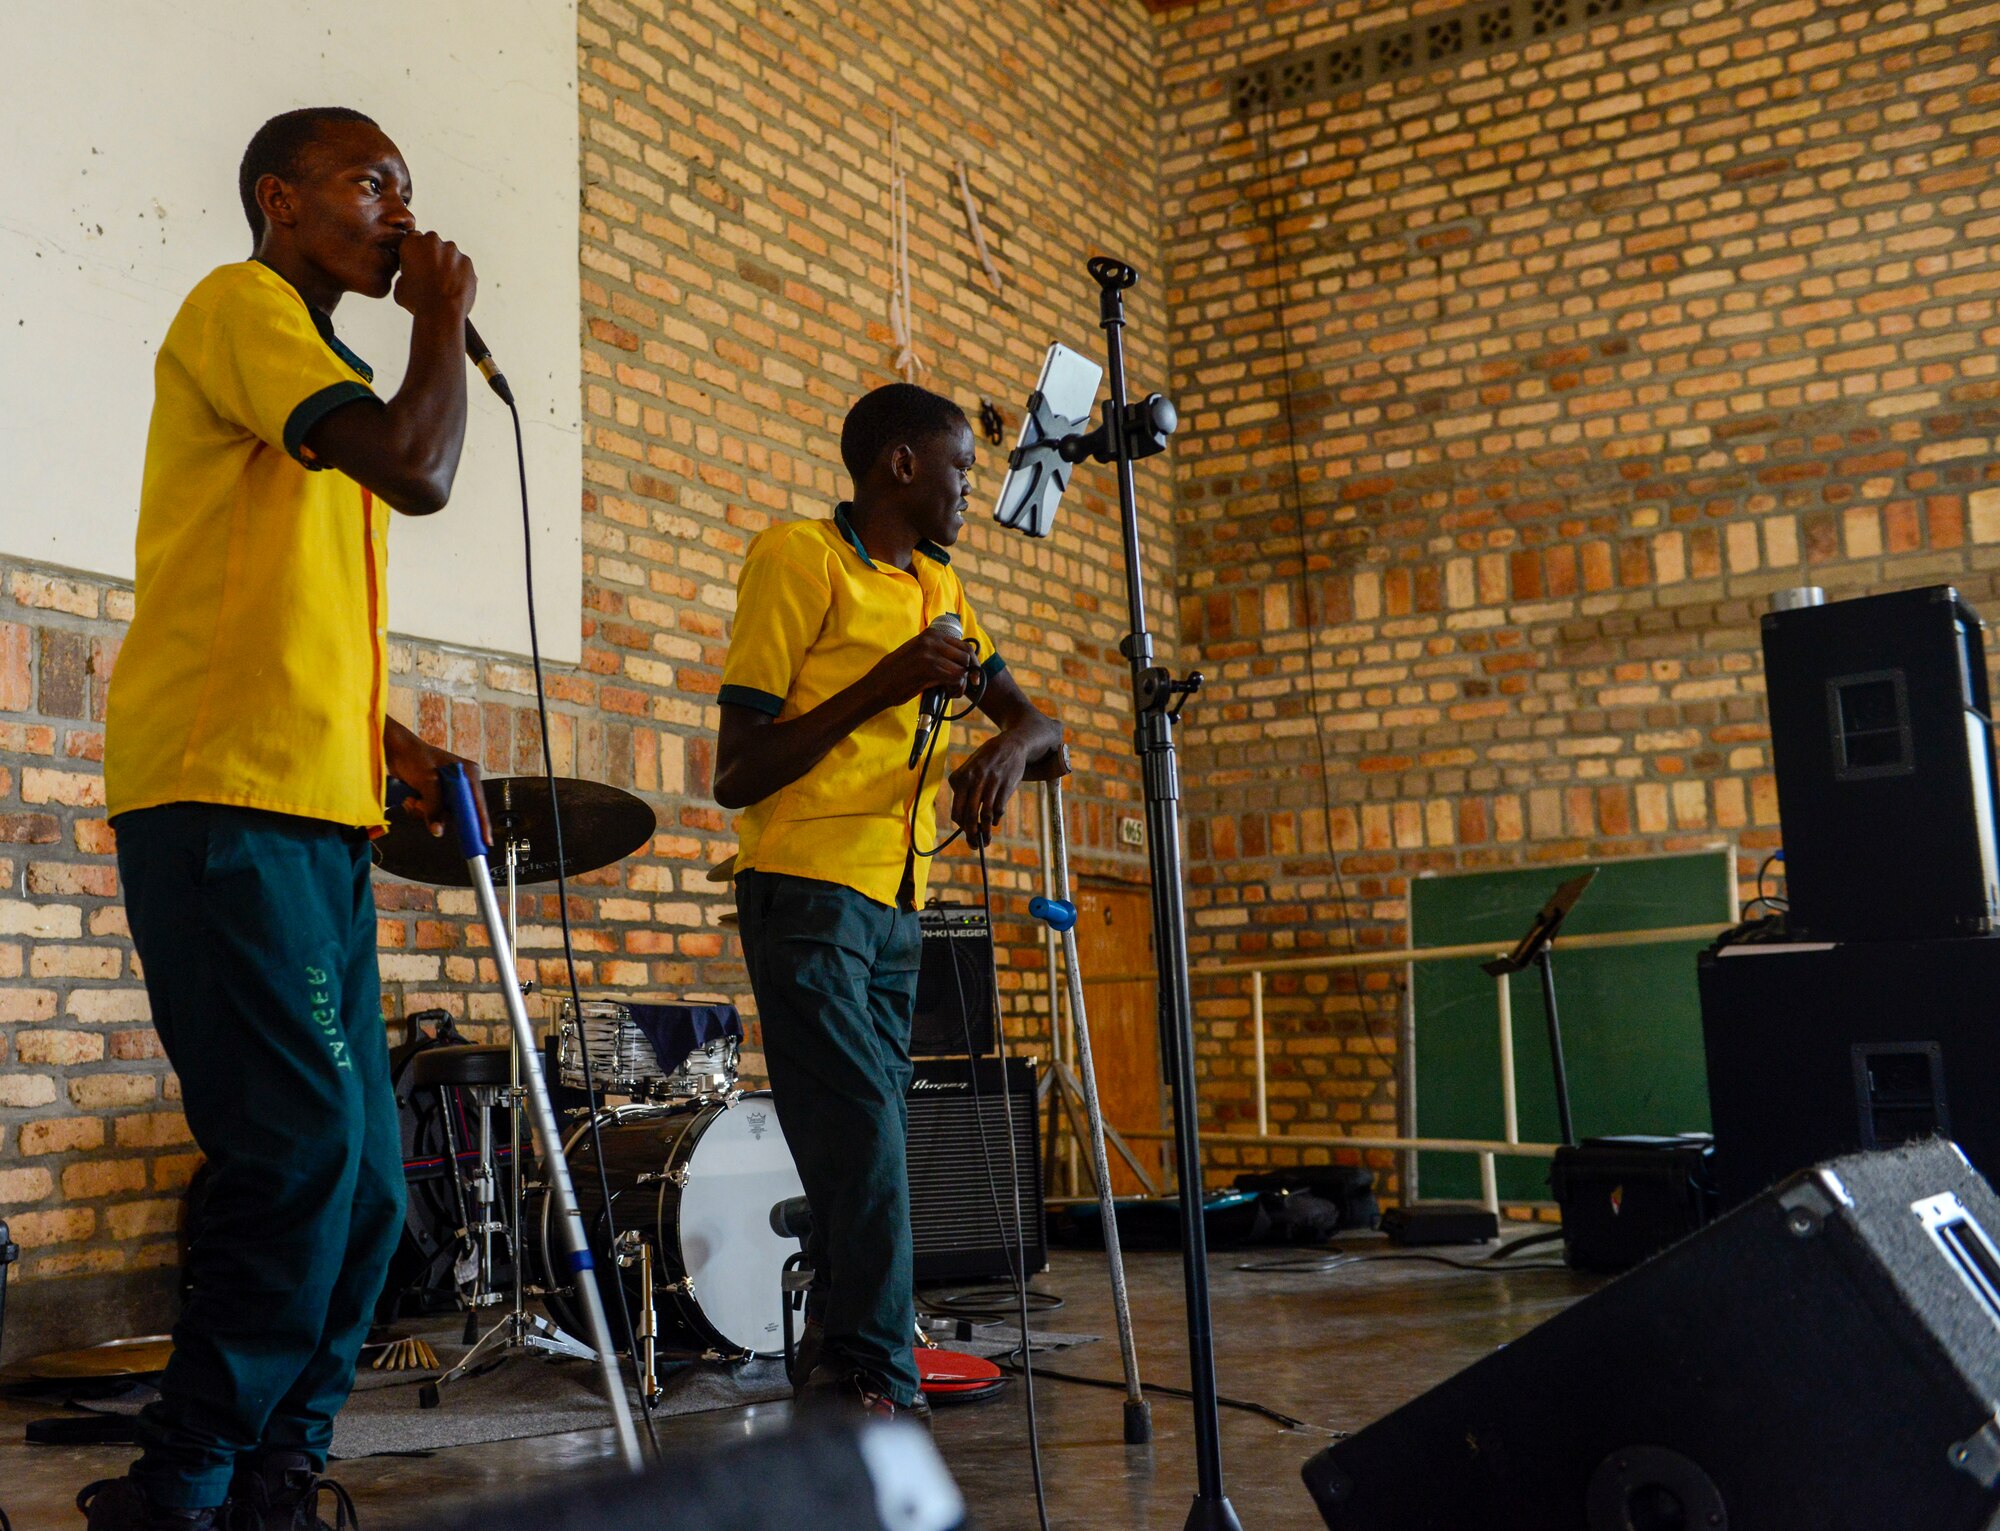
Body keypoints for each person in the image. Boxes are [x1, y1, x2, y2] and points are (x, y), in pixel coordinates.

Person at [90, 107, 490, 1531]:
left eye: (406, 186)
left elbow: (276, 595)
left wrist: (386, 737)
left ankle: (276, 1467)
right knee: (301, 1155)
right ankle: (179, 1478)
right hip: (220, 802)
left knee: (373, 1185)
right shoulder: (243, 306)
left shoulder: (314, 365)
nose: (400, 209)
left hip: (316, 816)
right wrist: (441, 313)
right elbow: (422, 468)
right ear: (281, 198)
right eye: (373, 182)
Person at [715, 382, 1062, 1418]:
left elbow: (1044, 727)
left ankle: (832, 1364)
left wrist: (1003, 750)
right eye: (960, 467)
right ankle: (878, 1378)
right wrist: (883, 681)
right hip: (806, 891)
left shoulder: (943, 588)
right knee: (862, 1135)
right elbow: (737, 769)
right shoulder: (798, 559)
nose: (971, 489)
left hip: (896, 905)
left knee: (863, 1144)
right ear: (899, 465)